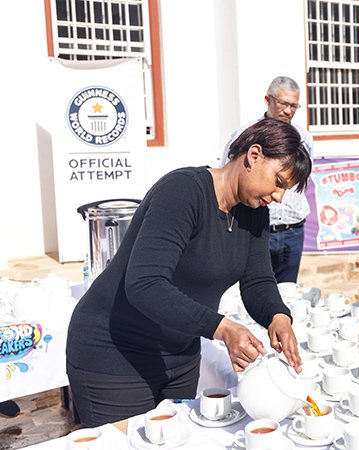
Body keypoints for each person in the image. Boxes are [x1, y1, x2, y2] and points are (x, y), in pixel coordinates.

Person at [66, 118, 310, 427]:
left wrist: (278, 317)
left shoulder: (255, 213)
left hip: (179, 357)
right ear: (254, 155)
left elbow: (257, 279)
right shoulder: (183, 192)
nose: (279, 197)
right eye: (278, 182)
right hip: (115, 354)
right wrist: (222, 328)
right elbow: (145, 283)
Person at [221, 76, 314, 283]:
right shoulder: (245, 134)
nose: (288, 111)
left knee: (288, 293)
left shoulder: (304, 137)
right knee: (254, 287)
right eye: (283, 104)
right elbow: (226, 174)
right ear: (268, 100)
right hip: (256, 228)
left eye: (294, 106)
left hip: (292, 228)